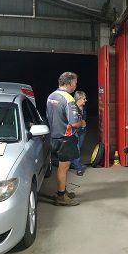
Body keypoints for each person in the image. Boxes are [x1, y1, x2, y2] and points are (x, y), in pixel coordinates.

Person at [46, 71, 86, 206]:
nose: (76, 85)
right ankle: (61, 196)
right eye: (75, 83)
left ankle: (62, 190)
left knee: (62, 166)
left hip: (54, 136)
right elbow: (74, 123)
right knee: (64, 167)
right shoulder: (68, 99)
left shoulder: (51, 96)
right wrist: (82, 123)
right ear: (69, 83)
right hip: (66, 137)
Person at [70, 90, 88, 176]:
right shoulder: (72, 108)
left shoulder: (83, 109)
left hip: (82, 131)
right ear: (79, 99)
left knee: (77, 148)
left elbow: (84, 119)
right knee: (76, 150)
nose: (85, 100)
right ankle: (79, 169)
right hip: (75, 131)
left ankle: (72, 164)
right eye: (84, 99)